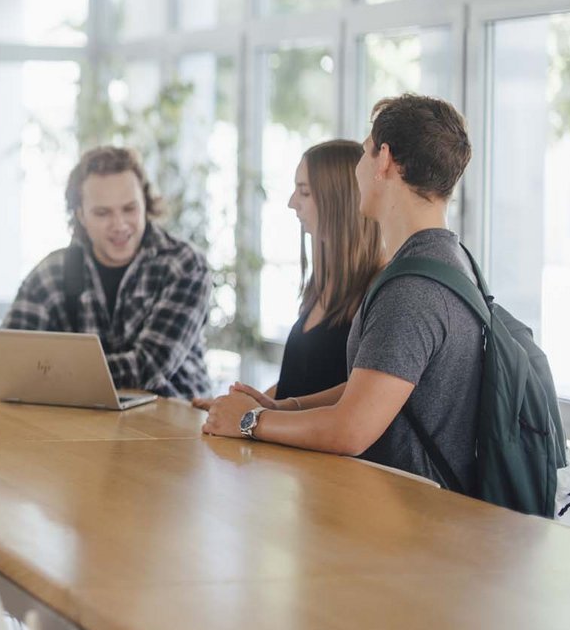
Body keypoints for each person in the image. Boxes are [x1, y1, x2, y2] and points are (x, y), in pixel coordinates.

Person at [203, 95, 480, 490]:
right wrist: (285, 407)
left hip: (411, 524)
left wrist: (248, 422)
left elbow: (350, 429)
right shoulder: (446, 261)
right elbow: (370, 387)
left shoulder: (411, 289)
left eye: (365, 153)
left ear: (383, 159)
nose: (358, 170)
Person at [1, 145, 212, 398]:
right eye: (102, 213)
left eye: (129, 209)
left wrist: (47, 373)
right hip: (87, 423)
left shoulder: (184, 266)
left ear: (145, 203)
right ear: (80, 215)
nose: (119, 225)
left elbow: (149, 366)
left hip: (177, 424)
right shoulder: (53, 272)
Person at [193, 140, 384, 410]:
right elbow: (295, 384)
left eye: (304, 192)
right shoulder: (323, 283)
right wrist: (244, 404)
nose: (292, 203)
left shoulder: (382, 288)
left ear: (337, 199)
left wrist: (265, 411)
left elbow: (361, 394)